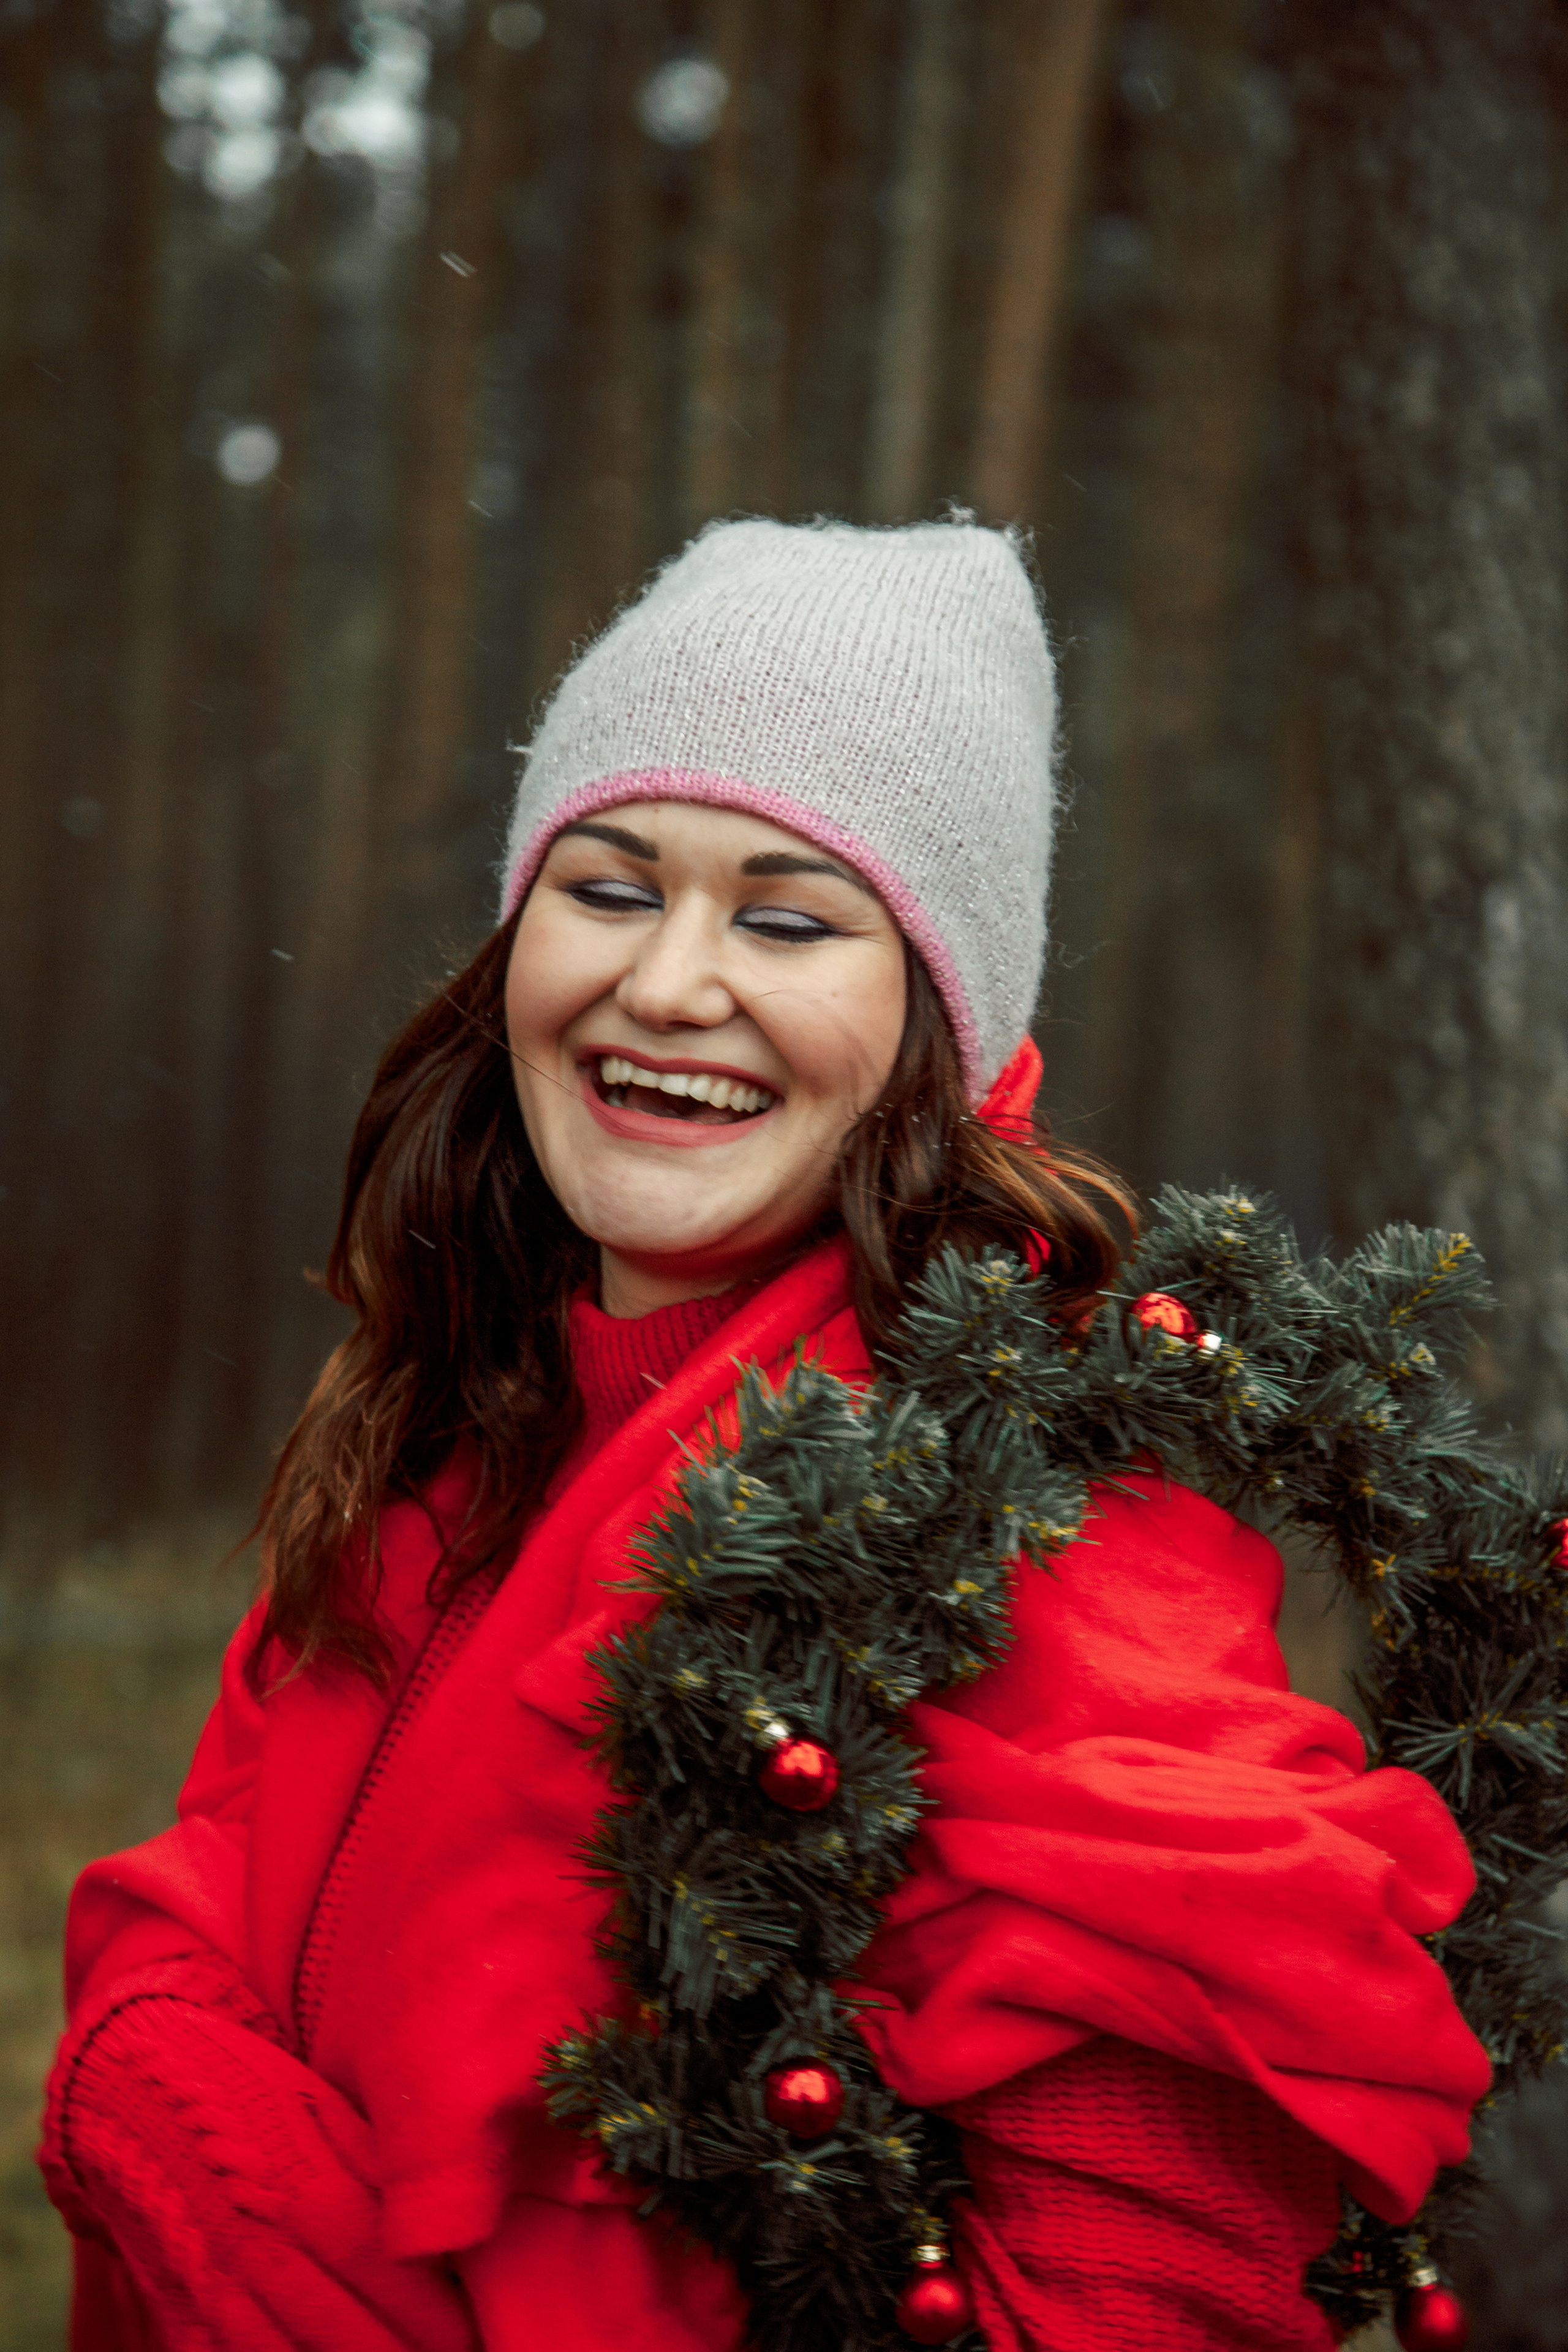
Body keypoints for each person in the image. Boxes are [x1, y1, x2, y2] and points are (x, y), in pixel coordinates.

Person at [40, 518, 1488, 2351]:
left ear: (933, 1029)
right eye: (614, 885)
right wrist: (159, 2091)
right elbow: (226, 1875)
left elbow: (1159, 2261)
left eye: (790, 918)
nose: (667, 984)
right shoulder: (453, 1416)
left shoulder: (1021, 1525)